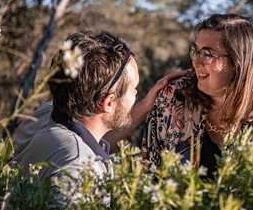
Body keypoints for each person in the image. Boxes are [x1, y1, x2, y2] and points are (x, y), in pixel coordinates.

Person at [12, 31, 184, 203]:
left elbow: (98, 132)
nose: (136, 93)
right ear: (108, 103)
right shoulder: (79, 169)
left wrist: (147, 104)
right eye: (134, 89)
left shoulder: (48, 114)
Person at [141, 14, 253, 177]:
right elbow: (147, 173)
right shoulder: (173, 98)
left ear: (238, 63)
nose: (196, 62)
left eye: (208, 54)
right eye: (196, 51)